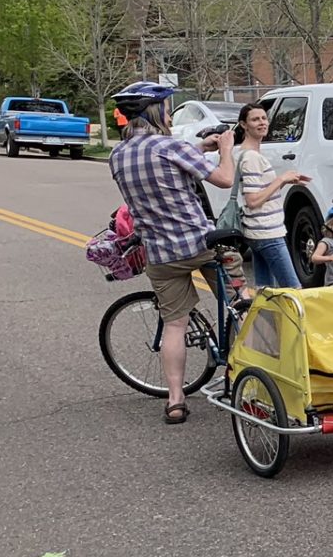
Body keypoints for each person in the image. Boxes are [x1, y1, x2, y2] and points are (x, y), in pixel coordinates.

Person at [106, 81, 237, 424]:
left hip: (160, 253)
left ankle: (176, 401)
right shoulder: (171, 146)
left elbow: (156, 163)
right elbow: (224, 179)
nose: (168, 112)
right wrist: (224, 148)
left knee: (174, 325)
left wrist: (199, 147)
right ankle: (240, 370)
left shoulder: (117, 155)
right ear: (156, 111)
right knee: (242, 302)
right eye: (166, 108)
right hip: (200, 243)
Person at [233, 101, 310, 290]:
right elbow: (252, 200)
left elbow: (261, 192)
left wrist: (285, 181)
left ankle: (264, 320)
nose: (262, 123)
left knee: (266, 290)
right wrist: (281, 180)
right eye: (255, 119)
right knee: (293, 291)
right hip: (267, 232)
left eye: (264, 118)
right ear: (244, 125)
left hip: (257, 231)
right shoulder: (251, 157)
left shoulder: (243, 153)